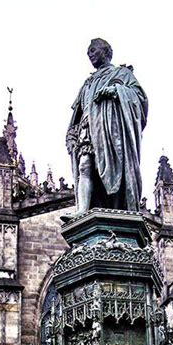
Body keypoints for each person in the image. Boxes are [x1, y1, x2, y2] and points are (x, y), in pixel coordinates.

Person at [66, 38, 148, 216]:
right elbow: (77, 115)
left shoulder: (122, 73)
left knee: (112, 170)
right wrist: (71, 135)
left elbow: (139, 97)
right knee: (84, 165)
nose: (90, 54)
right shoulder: (87, 84)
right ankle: (82, 210)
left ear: (106, 51)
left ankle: (118, 208)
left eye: (93, 50)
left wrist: (116, 91)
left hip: (110, 130)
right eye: (88, 52)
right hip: (87, 127)